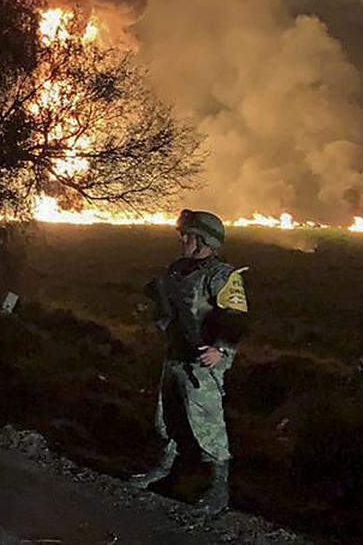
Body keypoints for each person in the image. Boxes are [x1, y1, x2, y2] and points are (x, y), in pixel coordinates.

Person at [129, 209, 250, 515]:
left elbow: (235, 320)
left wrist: (220, 350)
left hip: (203, 363)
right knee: (167, 416)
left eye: (189, 236)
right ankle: (164, 469)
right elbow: (165, 299)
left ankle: (218, 488)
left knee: (208, 425)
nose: (182, 240)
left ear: (205, 241)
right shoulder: (177, 270)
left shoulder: (223, 276)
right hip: (176, 356)